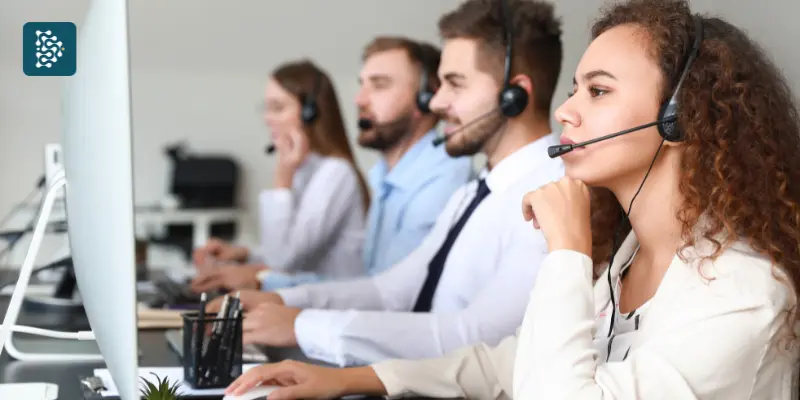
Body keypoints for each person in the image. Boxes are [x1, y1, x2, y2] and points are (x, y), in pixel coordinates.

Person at [224, 0, 800, 399]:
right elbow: (512, 363)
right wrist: (356, 379)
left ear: (678, 118)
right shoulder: (627, 261)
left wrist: (568, 253)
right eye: (575, 89)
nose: (567, 111)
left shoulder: (742, 290)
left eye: (598, 91)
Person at [218, 0, 564, 368]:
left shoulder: (549, 194)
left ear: (516, 95)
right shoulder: (476, 190)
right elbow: (392, 290)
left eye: (455, 84)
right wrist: (283, 301)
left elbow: (479, 337)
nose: (437, 101)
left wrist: (304, 326)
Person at [190, 60, 371, 292]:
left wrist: (282, 177)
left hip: (332, 312)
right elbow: (291, 247)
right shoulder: (307, 169)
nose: (267, 118)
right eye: (266, 108)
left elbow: (284, 261)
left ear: (309, 113)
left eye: (277, 107)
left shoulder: (335, 173)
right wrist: (243, 253)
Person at [356, 37, 473, 275]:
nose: (359, 100)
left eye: (379, 85)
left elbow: (388, 292)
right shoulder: (380, 173)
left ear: (426, 99)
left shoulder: (445, 174)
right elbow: (367, 280)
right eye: (362, 84)